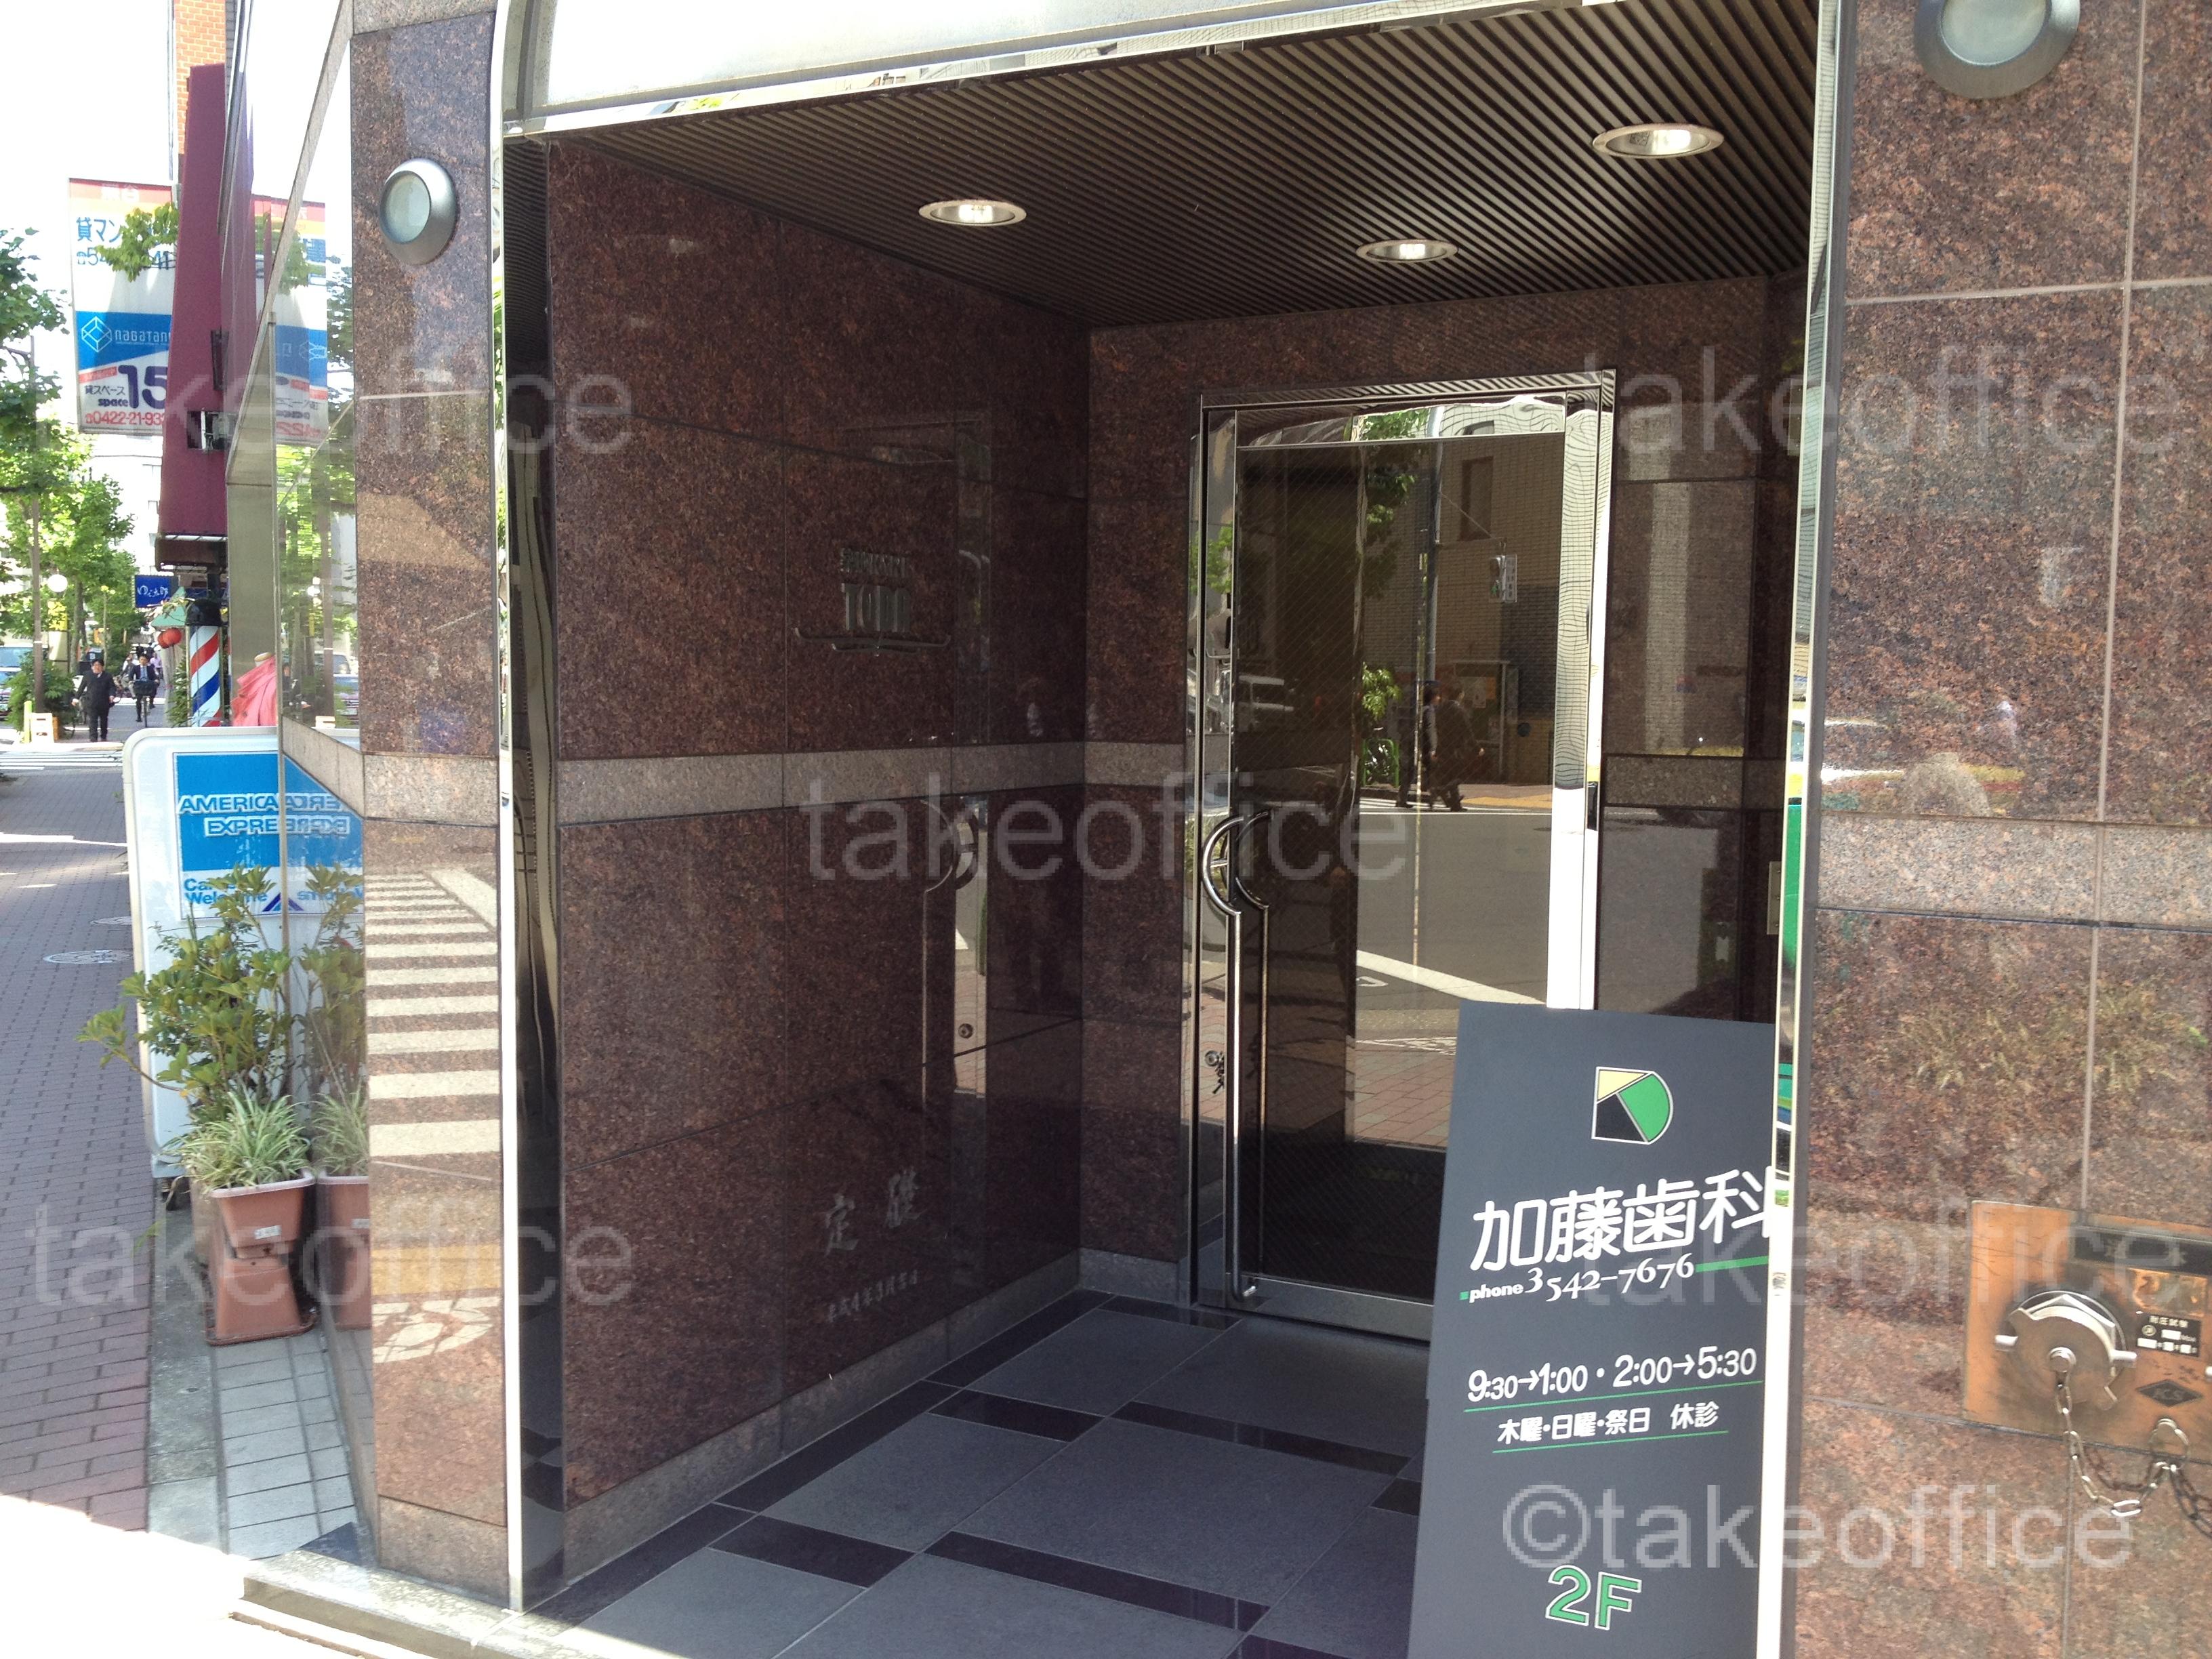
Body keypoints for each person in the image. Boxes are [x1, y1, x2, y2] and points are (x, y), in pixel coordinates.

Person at [76, 653, 119, 742]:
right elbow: (82, 687)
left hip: (104, 702)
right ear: (92, 667)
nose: (97, 667)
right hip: (91, 702)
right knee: (93, 720)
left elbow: (112, 687)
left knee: (104, 720)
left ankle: (104, 735)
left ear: (102, 667)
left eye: (99, 665)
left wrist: (112, 695)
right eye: (95, 665)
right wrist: (76, 698)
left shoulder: (107, 676)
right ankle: (93, 737)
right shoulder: (88, 675)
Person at [128, 649, 161, 723]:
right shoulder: (136, 668)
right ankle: (139, 716)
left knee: (154, 685)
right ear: (139, 660)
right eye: (141, 660)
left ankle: (151, 702)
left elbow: (155, 676)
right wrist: (131, 680)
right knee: (138, 701)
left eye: (144, 660)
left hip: (148, 683)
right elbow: (131, 675)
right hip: (140, 684)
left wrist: (156, 680)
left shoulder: (150, 668)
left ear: (147, 661)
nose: (143, 661)